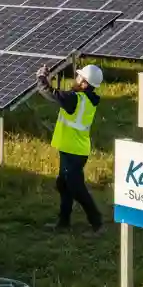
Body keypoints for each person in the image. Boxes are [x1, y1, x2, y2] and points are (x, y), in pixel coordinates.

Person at [36, 63, 104, 234]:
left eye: (79, 76)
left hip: (74, 152)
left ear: (85, 83)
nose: (76, 78)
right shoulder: (85, 99)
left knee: (76, 189)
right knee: (64, 185)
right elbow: (60, 95)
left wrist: (41, 77)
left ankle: (97, 223)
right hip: (72, 149)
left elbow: (48, 92)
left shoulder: (76, 99)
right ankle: (63, 222)